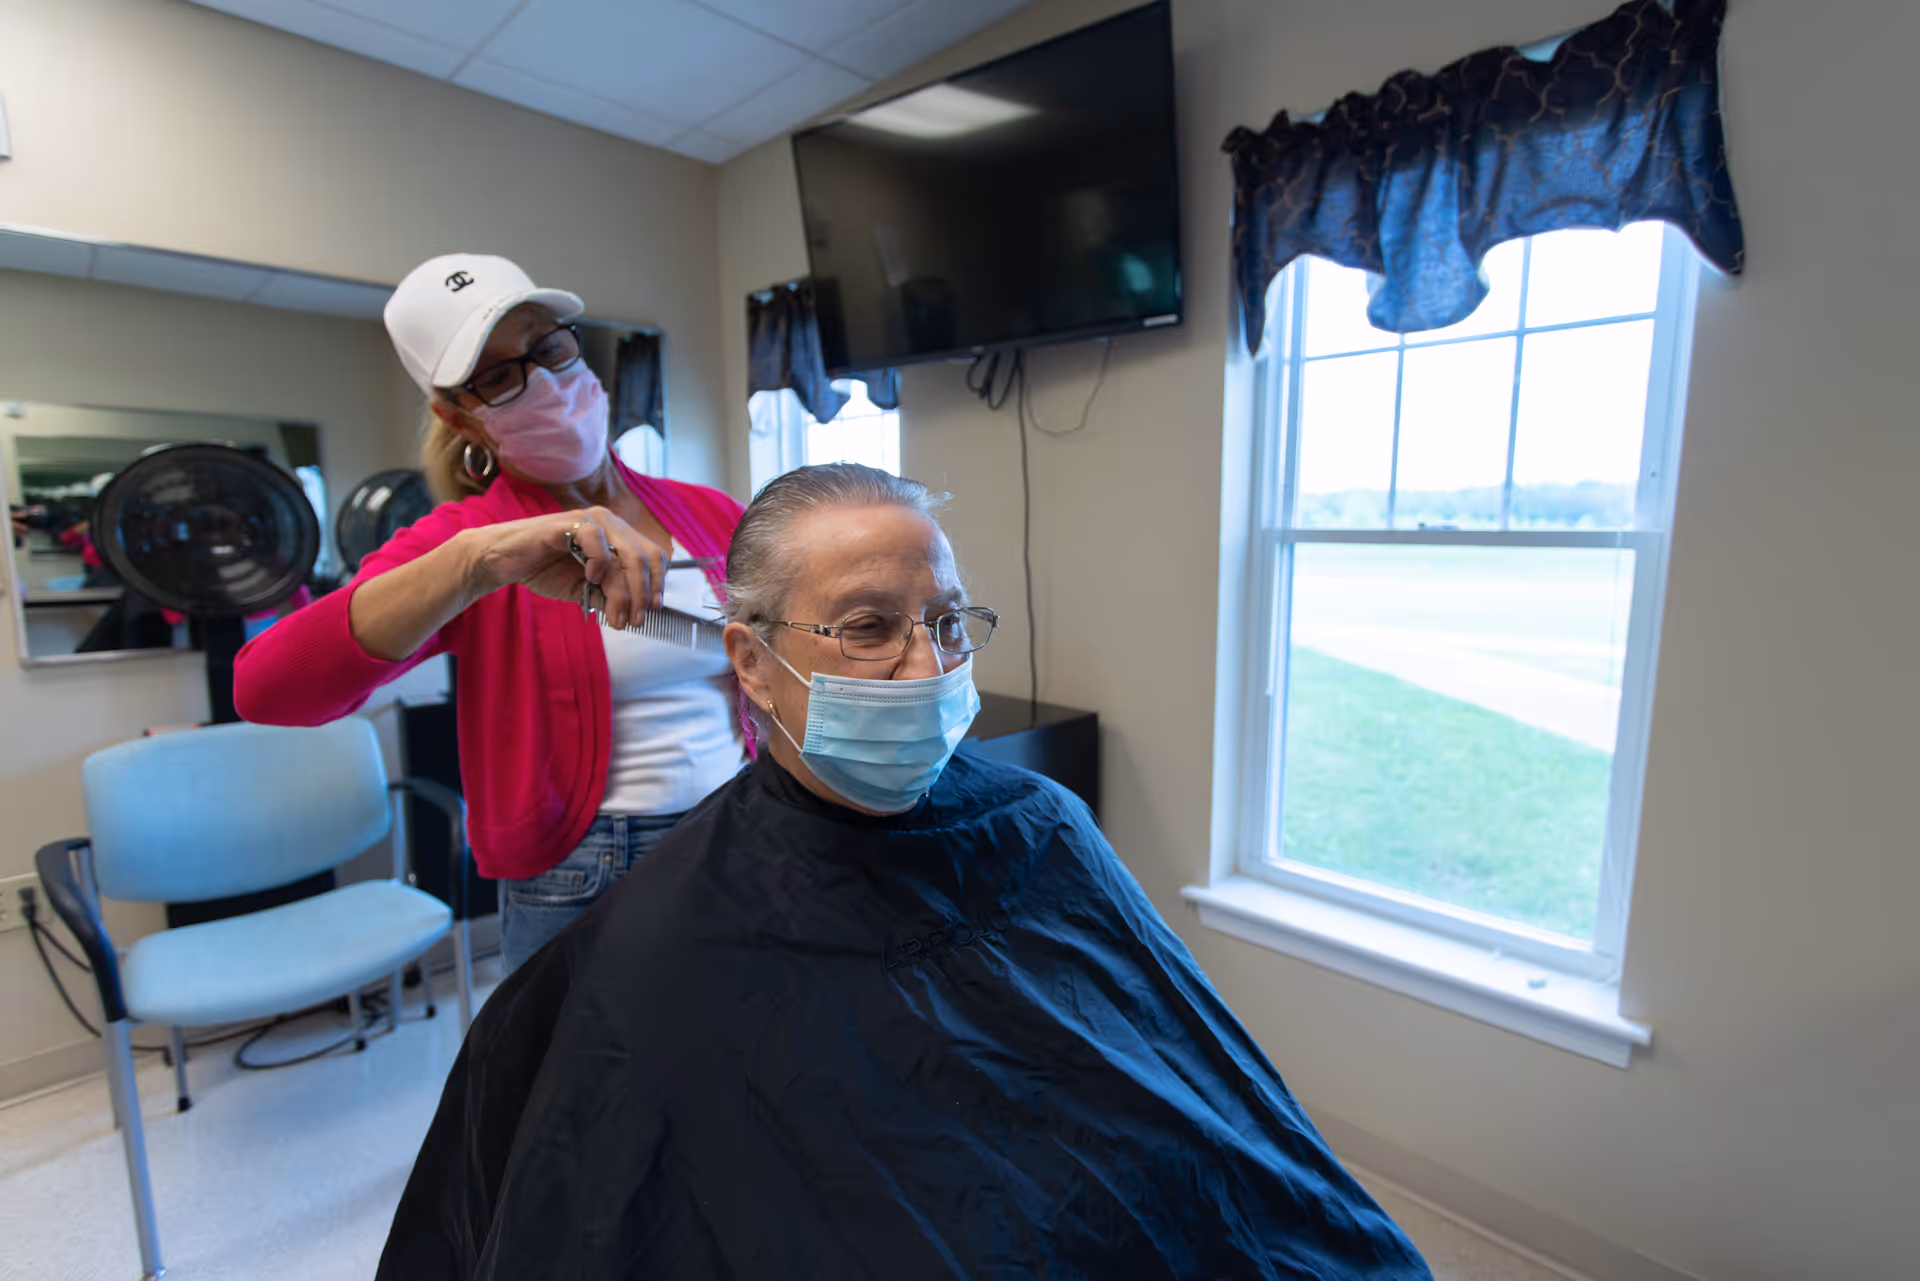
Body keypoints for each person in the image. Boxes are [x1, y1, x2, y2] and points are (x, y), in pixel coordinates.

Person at [375, 463, 1432, 1281]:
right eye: (871, 627)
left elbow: (1209, 1103)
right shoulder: (657, 946)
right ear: (750, 662)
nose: (927, 668)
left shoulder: (1041, 823)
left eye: (947, 623)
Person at [234, 253, 747, 974]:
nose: (546, 381)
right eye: (500, 375)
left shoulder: (708, 512)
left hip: (738, 830)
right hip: (585, 870)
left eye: (548, 346)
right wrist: (474, 564)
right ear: (457, 415)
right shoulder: (463, 544)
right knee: (582, 1082)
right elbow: (266, 690)